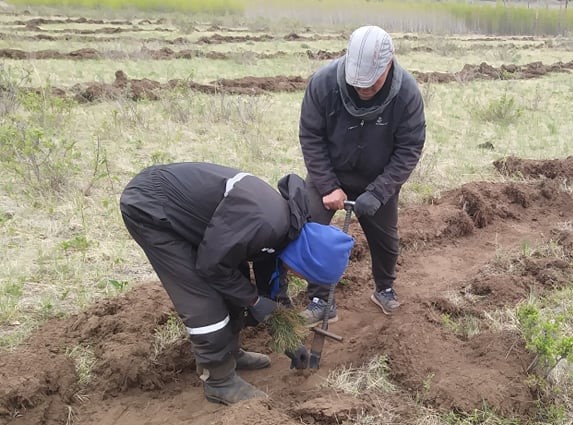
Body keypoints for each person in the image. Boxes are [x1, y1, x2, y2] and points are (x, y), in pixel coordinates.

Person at [119, 162, 354, 405]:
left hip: (190, 215)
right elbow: (211, 267)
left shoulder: (289, 229)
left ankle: (229, 353)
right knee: (204, 297)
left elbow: (269, 279)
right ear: (306, 261)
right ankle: (218, 380)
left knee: (235, 282)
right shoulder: (266, 223)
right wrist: (253, 301)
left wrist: (285, 332)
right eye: (305, 276)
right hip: (152, 207)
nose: (299, 278)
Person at [298, 25, 426, 326]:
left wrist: (379, 192)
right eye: (357, 83)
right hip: (328, 172)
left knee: (386, 240)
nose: (363, 90)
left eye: (370, 83)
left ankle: (384, 288)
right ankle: (320, 300)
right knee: (313, 231)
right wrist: (328, 186)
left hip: (378, 176)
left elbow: (409, 148)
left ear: (389, 63)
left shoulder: (407, 94)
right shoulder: (323, 83)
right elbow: (311, 136)